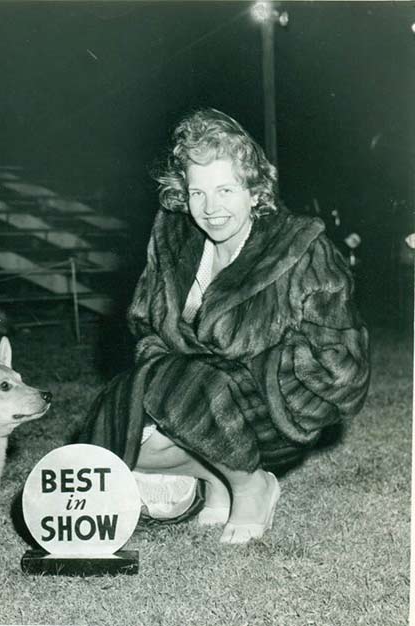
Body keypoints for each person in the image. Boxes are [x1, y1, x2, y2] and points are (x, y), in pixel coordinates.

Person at [79, 108, 369, 544]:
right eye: (198, 193)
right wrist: (173, 377)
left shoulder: (299, 247)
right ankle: (217, 477)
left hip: (277, 410)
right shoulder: (174, 239)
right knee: (115, 423)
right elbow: (147, 327)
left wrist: (259, 371)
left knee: (184, 386)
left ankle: (251, 486)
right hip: (198, 400)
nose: (211, 209)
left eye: (225, 190)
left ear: (254, 191)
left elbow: (342, 364)